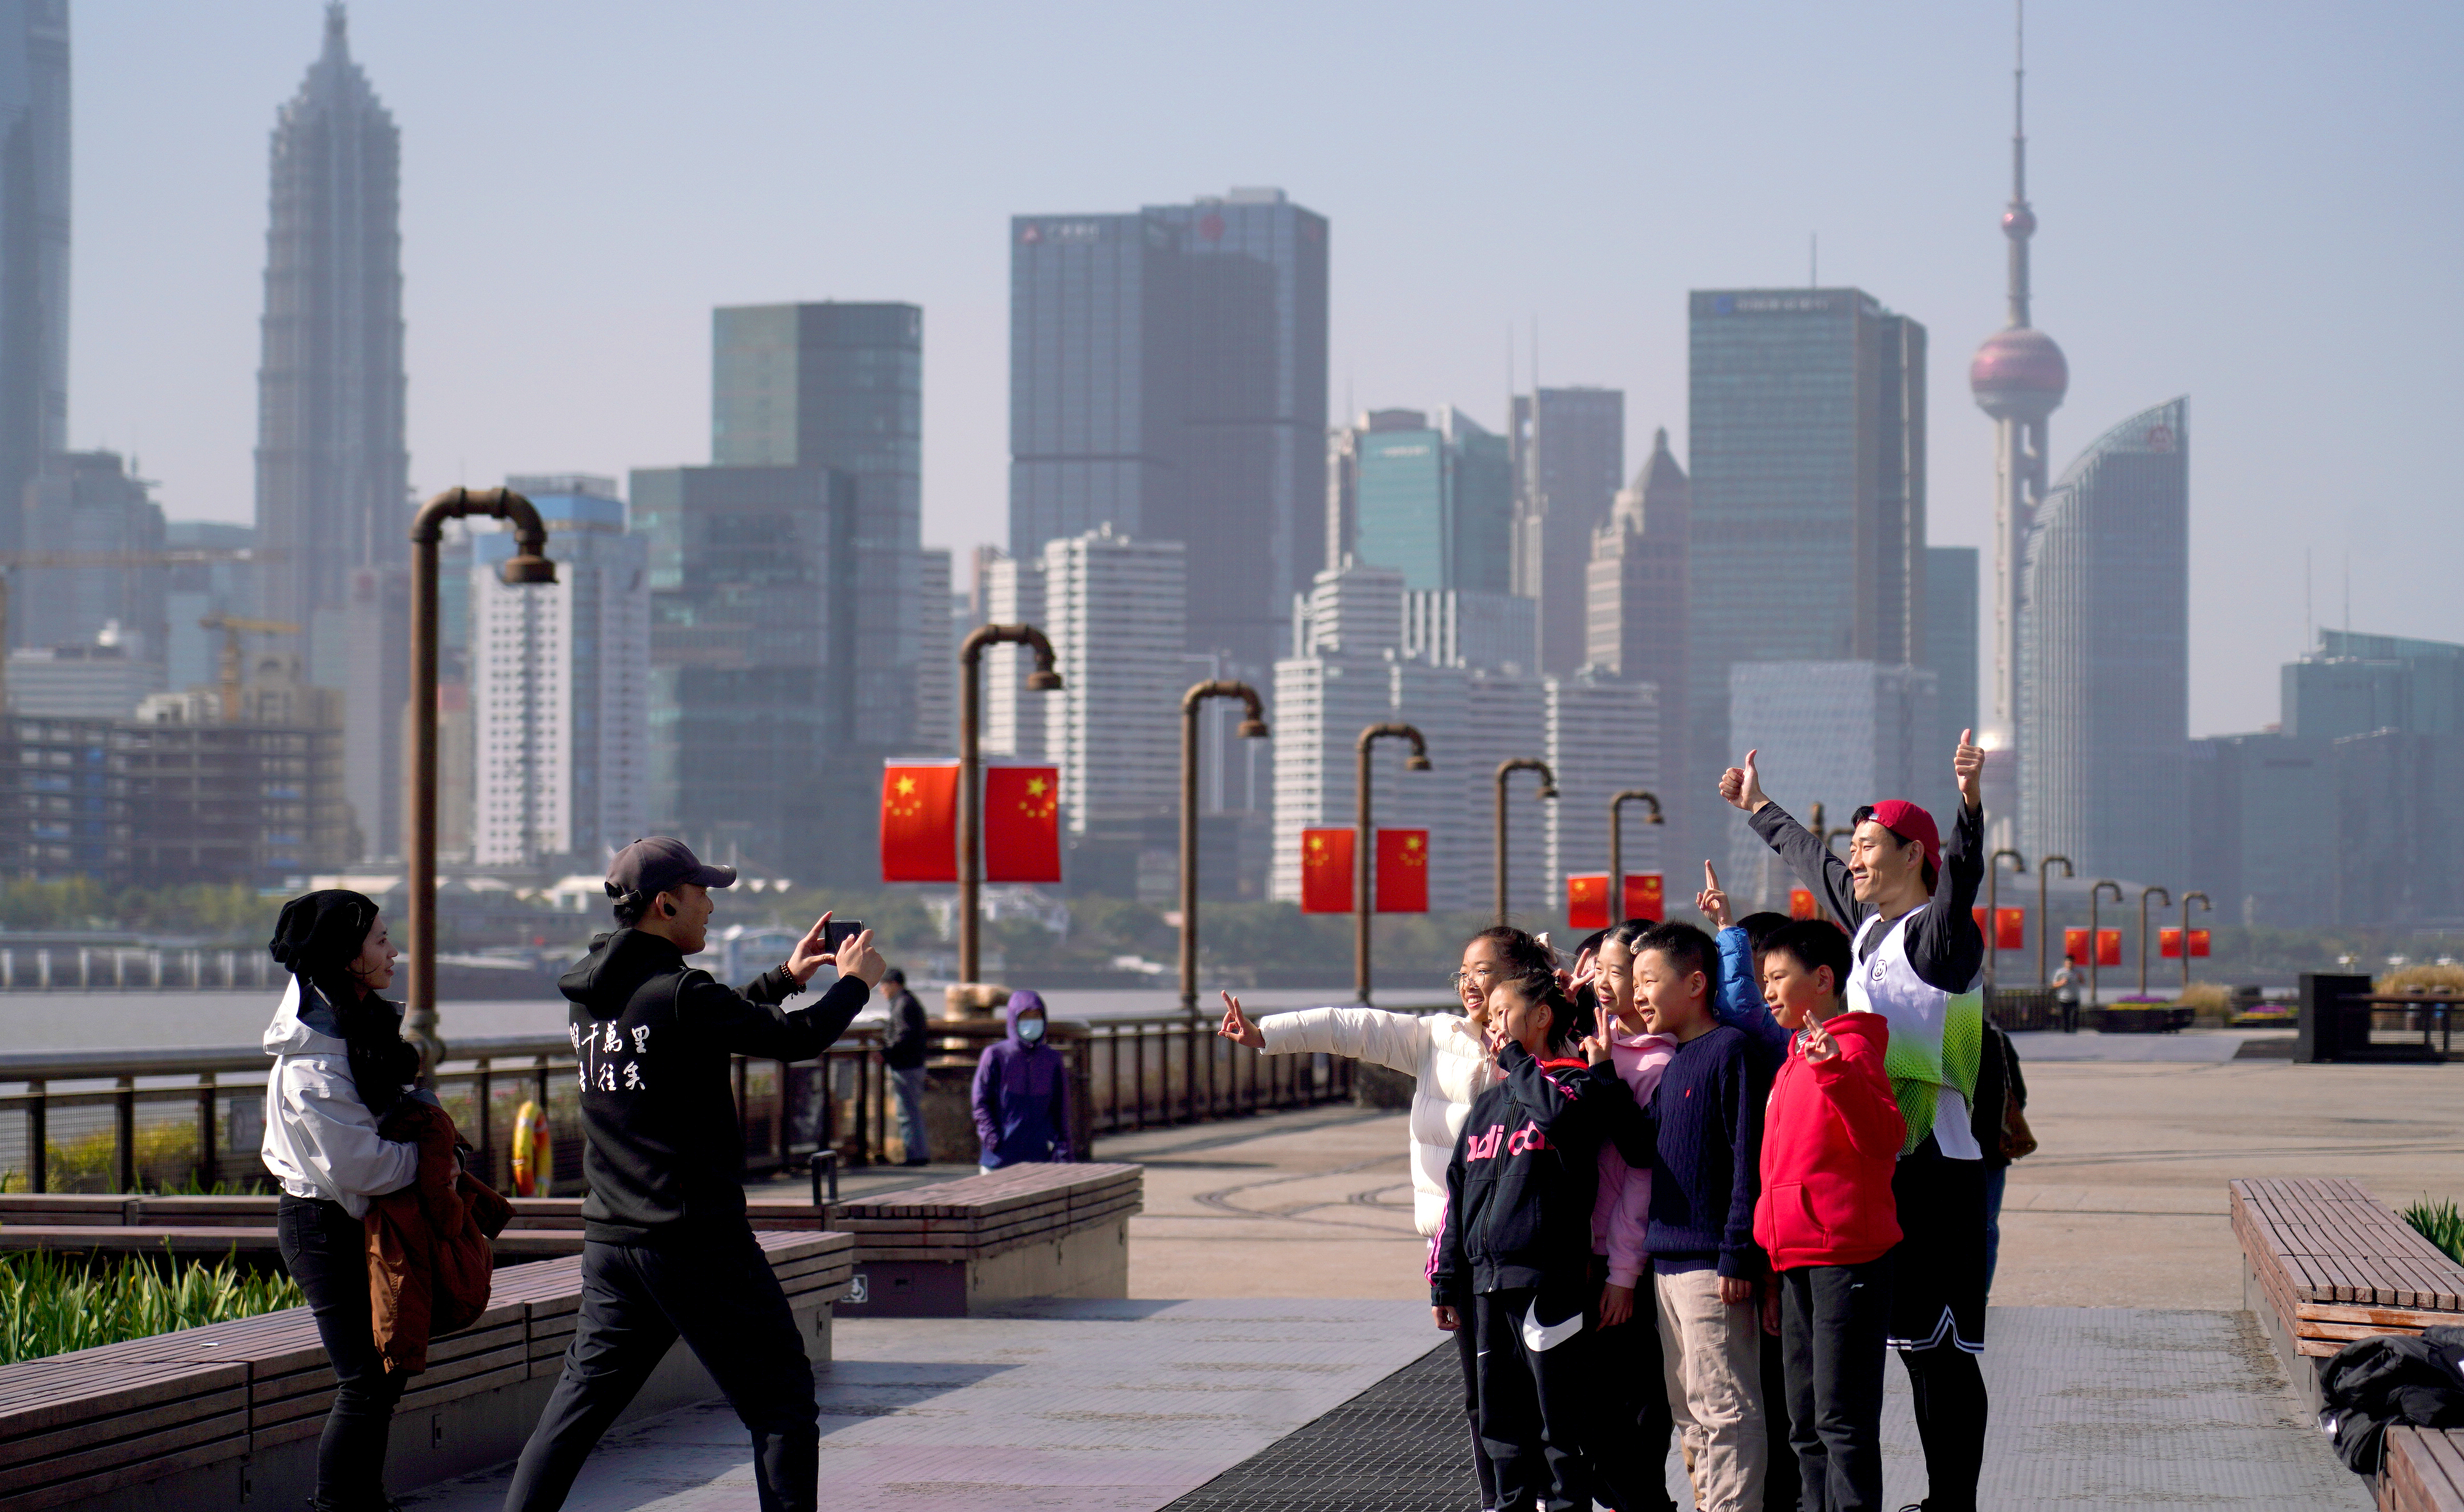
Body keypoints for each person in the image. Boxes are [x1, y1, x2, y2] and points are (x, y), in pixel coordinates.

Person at [503, 837, 880, 1512]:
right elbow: (793, 1039)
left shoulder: (592, 996)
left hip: (615, 1242)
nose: (710, 905)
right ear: (664, 902)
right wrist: (855, 983)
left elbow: (706, 1014)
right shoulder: (679, 993)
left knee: (575, 1416)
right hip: (696, 1240)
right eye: (701, 892)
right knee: (782, 1407)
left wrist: (788, 978)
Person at [1722, 730, 1993, 1512]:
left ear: (1915, 854)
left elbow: (1964, 877)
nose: (1856, 859)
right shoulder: (1868, 929)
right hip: (1878, 1164)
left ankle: (1953, 1504)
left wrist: (1969, 804)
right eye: (1856, 845)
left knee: (1941, 1352)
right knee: (1901, 1350)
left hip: (1936, 1165)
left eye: (1871, 846)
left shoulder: (1943, 937)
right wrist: (1758, 808)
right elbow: (1813, 862)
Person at [1218, 924, 1556, 1512]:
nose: (1470, 984)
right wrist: (1265, 1033)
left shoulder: (1552, 1038)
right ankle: (1499, 1502)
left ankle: (1556, 1500)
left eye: (1484, 970)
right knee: (1484, 1400)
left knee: (1545, 1395)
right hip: (1463, 1248)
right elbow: (1353, 1028)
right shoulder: (1436, 1039)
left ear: (1520, 976)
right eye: (1464, 973)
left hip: (1535, 1245)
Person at [1432, 965, 1639, 1512]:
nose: (1493, 1024)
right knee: (1499, 1425)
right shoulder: (1487, 1105)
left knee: (1558, 1426)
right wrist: (1447, 1279)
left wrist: (1520, 1063)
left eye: (1504, 1012)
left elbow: (1564, 1125)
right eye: (1491, 1015)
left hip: (1548, 1280)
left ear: (1542, 1017)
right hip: (1484, 1282)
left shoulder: (1576, 1085)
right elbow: (1460, 1195)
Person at [261, 888, 427, 1512]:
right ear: (345, 955)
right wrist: (433, 1163)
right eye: (381, 940)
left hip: (349, 1219)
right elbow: (361, 1164)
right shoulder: (313, 1062)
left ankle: (365, 1500)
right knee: (364, 1379)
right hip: (321, 1227)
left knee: (385, 1373)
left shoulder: (351, 1030)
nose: (393, 952)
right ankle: (338, 1505)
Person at [1754, 919, 1904, 1512]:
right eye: (1764, 979)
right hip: (1796, 1256)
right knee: (1805, 1422)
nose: (1767, 992)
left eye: (1778, 977)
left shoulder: (1852, 1048)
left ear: (1822, 980)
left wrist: (1836, 1070)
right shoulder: (1794, 1056)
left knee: (1842, 1422)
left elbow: (1885, 1136)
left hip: (1848, 1257)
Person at [1632, 921, 1770, 1512]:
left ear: (1694, 983)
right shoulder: (1675, 1062)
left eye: (1648, 980)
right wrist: (1605, 1069)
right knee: (1690, 1411)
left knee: (1726, 1409)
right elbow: (1642, 1150)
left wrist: (1739, 1252)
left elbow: (1749, 1162)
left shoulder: (1731, 1051)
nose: (1638, 994)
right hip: (1667, 1263)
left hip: (1713, 1267)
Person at [1576, 921, 1682, 1512]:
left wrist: (1621, 1272)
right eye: (1606, 972)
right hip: (1581, 1254)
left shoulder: (1657, 1064)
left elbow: (1642, 1176)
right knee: (1589, 1411)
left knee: (1634, 1413)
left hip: (1624, 1266)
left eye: (1625, 974)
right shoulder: (1598, 1044)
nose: (1612, 986)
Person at [972, 989, 1072, 1171]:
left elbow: (1060, 1111)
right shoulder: (995, 1056)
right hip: (998, 1160)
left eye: (1037, 1017)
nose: (1032, 1023)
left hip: (1040, 1159)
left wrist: (1064, 1151)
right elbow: (980, 1103)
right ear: (1013, 1020)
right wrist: (992, 1140)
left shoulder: (1052, 1060)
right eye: (1025, 1018)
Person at [1973, 1022, 2029, 1294]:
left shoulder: (1932, 1035)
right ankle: (1979, 1296)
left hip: (1946, 1147)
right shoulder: (1996, 1039)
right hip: (1991, 1150)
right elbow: (2018, 1093)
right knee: (1986, 1226)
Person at [880, 967, 932, 1166]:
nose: (882, 990)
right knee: (910, 1111)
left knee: (907, 1112)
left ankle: (916, 1155)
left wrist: (886, 1053)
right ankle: (917, 1153)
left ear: (894, 984)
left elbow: (903, 1035)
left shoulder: (903, 1004)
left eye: (884, 986)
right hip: (913, 1064)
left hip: (906, 1066)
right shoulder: (908, 1002)